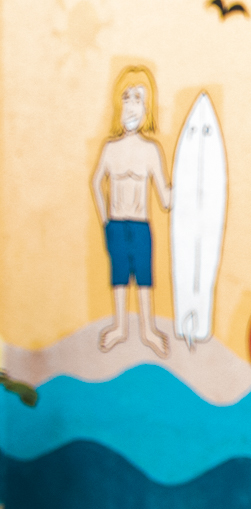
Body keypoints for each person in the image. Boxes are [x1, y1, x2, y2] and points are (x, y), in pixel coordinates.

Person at [91, 64, 172, 356]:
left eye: (139, 98)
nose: (132, 106)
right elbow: (96, 182)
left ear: (148, 108)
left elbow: (165, 197)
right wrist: (105, 222)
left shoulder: (151, 150)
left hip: (140, 225)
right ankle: (120, 327)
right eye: (127, 97)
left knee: (144, 278)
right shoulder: (111, 148)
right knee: (119, 276)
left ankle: (148, 329)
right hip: (116, 224)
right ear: (118, 104)